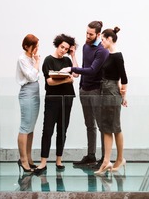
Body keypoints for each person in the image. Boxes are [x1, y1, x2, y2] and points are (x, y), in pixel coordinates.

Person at [60, 21, 109, 169]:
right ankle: (91, 156)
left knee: (101, 126)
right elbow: (83, 68)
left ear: (98, 35)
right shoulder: (86, 47)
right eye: (87, 33)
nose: (88, 36)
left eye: (91, 34)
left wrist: (72, 68)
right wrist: (80, 84)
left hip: (96, 91)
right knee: (89, 125)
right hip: (84, 90)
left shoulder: (102, 51)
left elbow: (92, 70)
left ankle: (103, 159)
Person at [34, 33, 78, 175]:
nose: (63, 50)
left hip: (67, 98)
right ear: (57, 45)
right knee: (47, 130)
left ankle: (59, 160)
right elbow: (50, 82)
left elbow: (76, 74)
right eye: (61, 47)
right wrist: (66, 80)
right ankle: (43, 162)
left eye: (66, 49)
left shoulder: (67, 60)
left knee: (62, 130)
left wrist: (73, 55)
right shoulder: (48, 60)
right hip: (52, 99)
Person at [94, 27, 128, 175]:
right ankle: (106, 161)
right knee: (107, 127)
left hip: (112, 92)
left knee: (115, 127)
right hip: (106, 91)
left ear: (109, 39)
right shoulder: (108, 55)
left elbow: (123, 78)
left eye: (102, 39)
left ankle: (120, 159)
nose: (101, 42)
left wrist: (123, 97)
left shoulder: (117, 56)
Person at [15, 34, 41, 173]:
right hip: (27, 92)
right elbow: (31, 76)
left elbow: (36, 76)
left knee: (31, 127)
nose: (36, 49)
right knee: (25, 126)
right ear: (26, 46)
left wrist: (35, 62)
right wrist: (37, 63)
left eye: (37, 46)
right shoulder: (22, 59)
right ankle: (23, 159)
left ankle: (29, 159)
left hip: (35, 91)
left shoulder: (32, 58)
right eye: (34, 46)